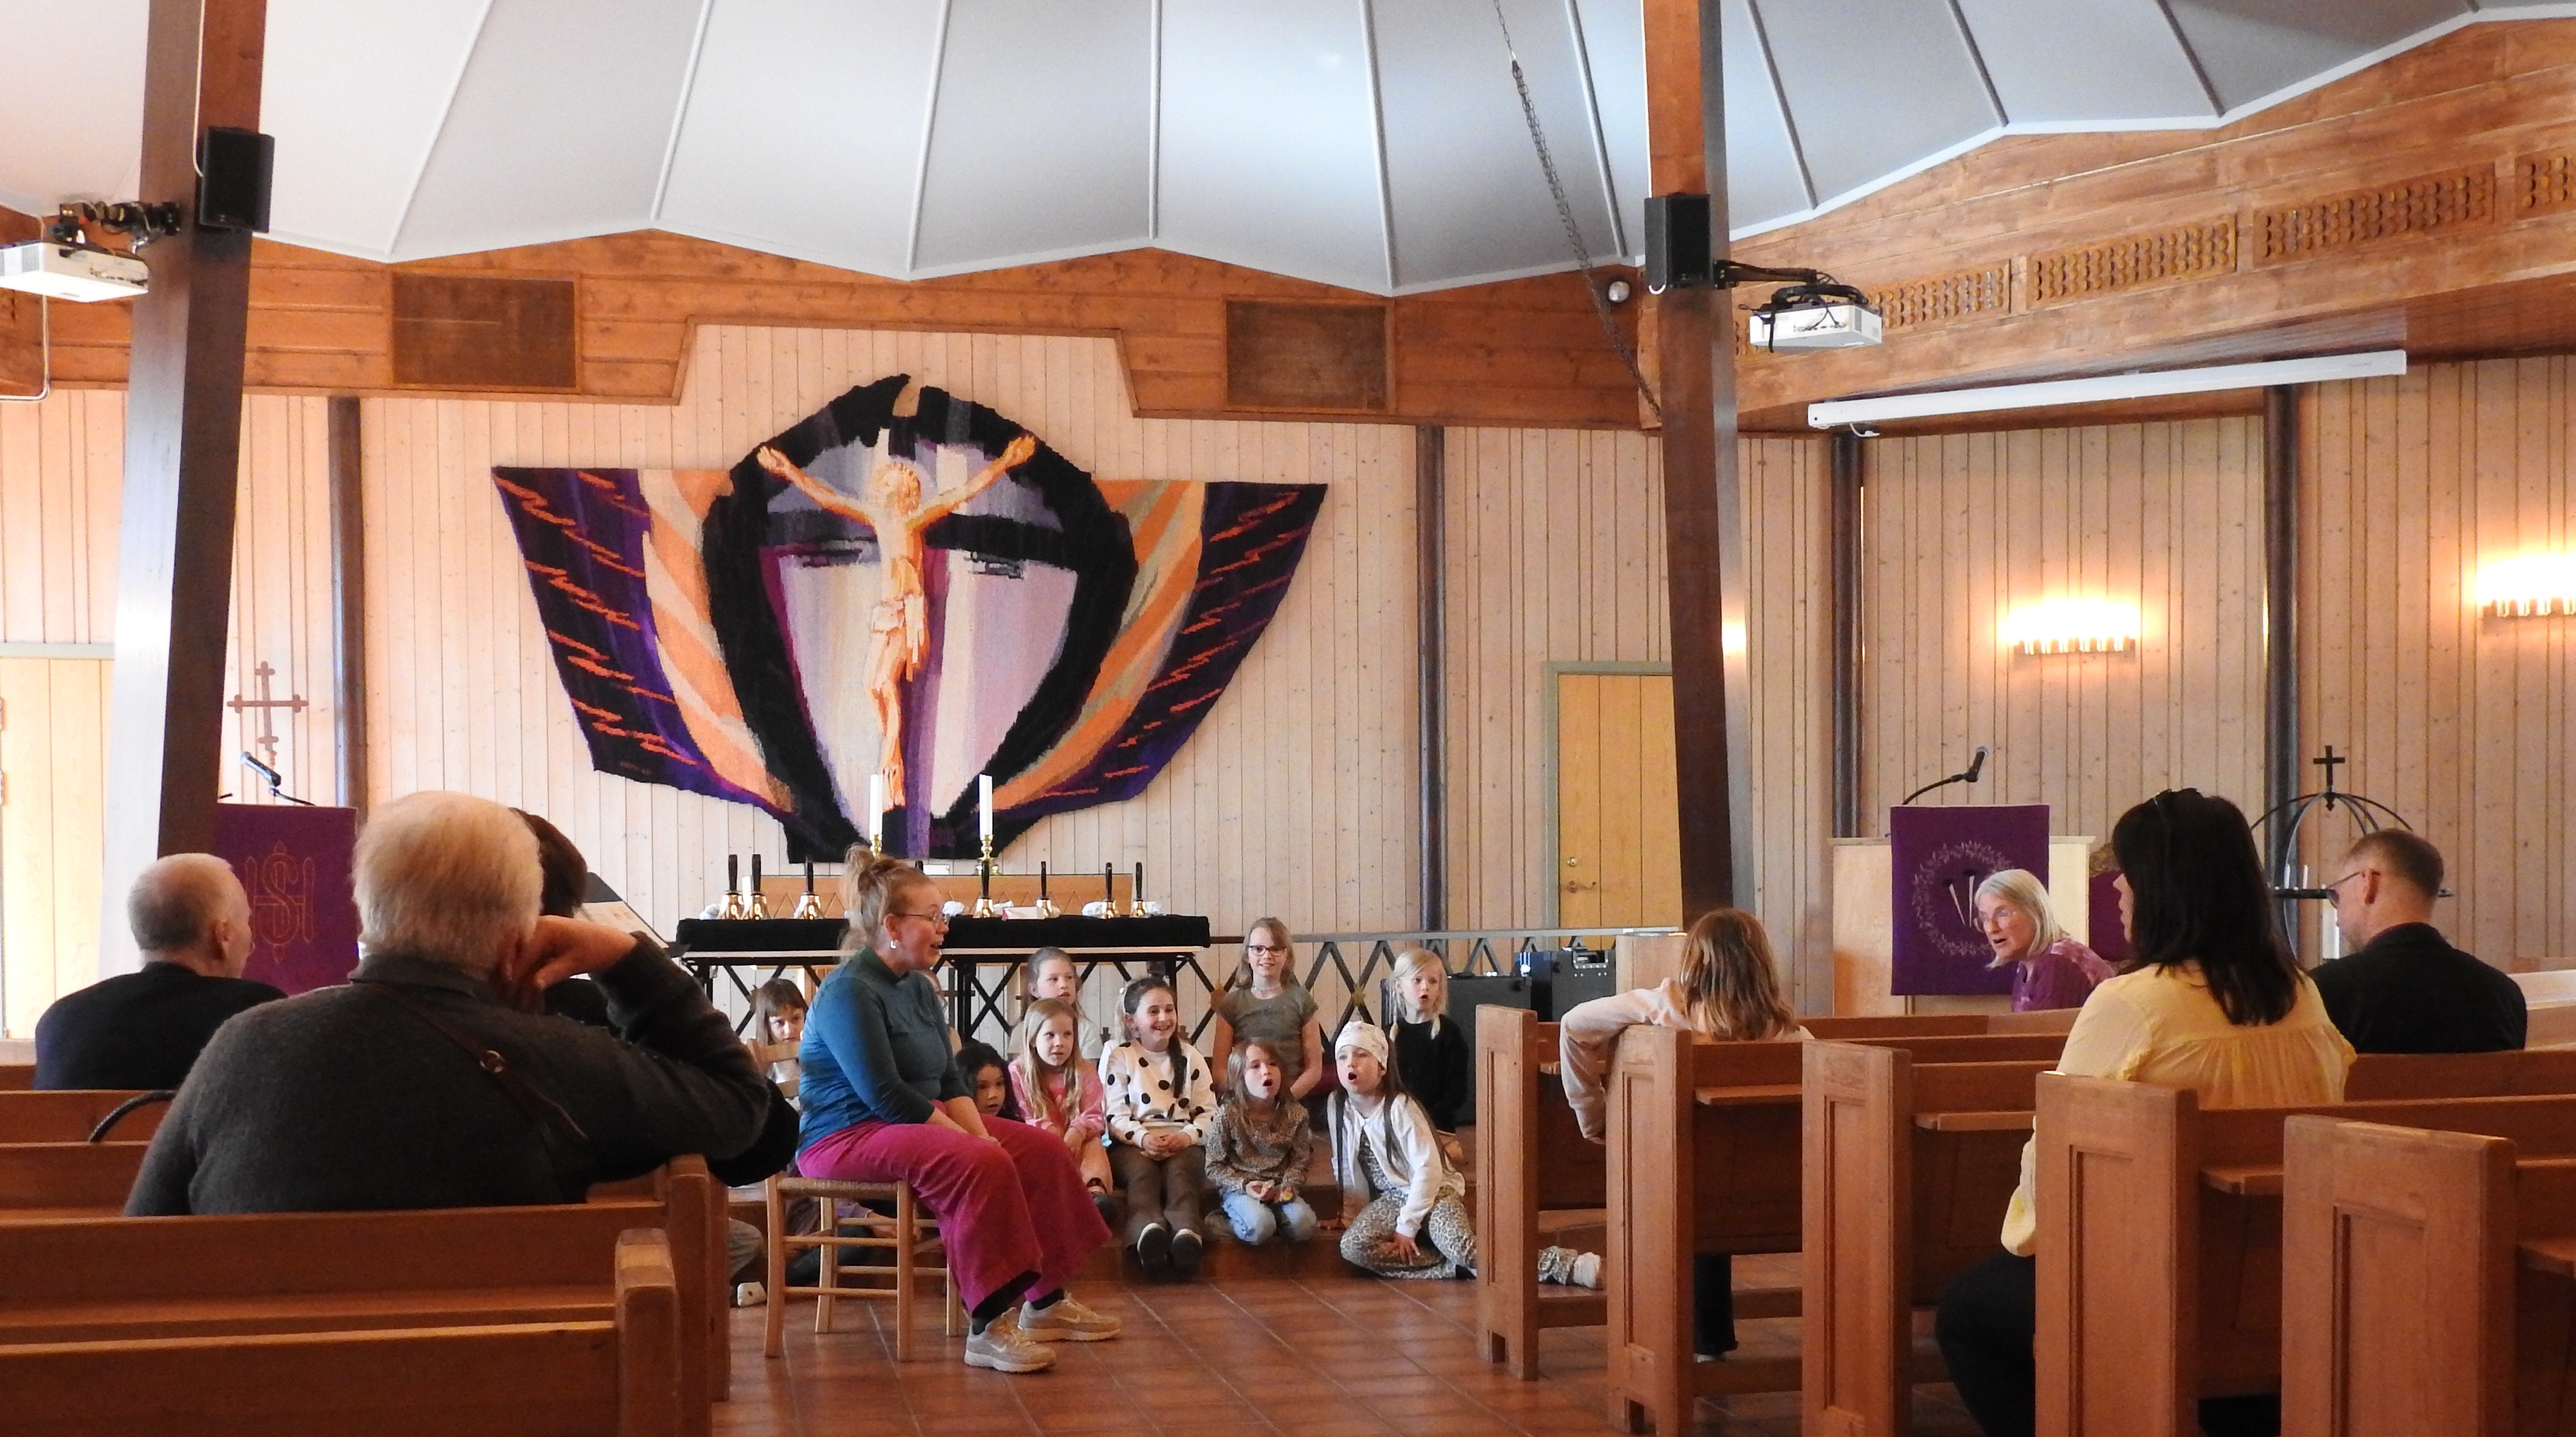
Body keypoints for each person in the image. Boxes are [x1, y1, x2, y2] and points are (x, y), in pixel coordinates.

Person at [125, 791, 774, 1216]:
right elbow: (741, 1108)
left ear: (366, 913)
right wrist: (627, 960)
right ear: (522, 936)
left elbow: (145, 1236)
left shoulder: (243, 1043)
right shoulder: (557, 1059)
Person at [1933, 790, 2355, 1437]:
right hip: (2286, 1275)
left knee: (1967, 1312)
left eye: (2129, 871)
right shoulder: (2302, 994)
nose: (2118, 886)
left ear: (2165, 888)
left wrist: (2030, 1240)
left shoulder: (2131, 1003)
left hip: (2160, 1279)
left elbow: (2056, 1159)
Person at [795, 850, 1120, 1373]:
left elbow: (949, 1080)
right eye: (933, 917)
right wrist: (970, 1141)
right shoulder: (848, 991)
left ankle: (1046, 1303)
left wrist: (977, 1132)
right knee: (979, 1162)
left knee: (1041, 1150)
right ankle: (987, 1327)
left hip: (912, 1121)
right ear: (893, 927)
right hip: (846, 1136)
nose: (944, 927)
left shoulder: (918, 987)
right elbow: (885, 1094)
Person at [1557, 907, 1809, 1356]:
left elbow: (1574, 1025)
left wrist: (1593, 1117)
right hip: (1775, 1197)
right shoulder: (1794, 1037)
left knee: (1696, 1180)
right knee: (1718, 1177)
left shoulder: (1665, 1008)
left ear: (1694, 960)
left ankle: (1667, 1337)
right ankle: (1708, 1340)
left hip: (1682, 1186)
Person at [34, 855, 282, 1091]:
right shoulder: (257, 1012)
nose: (252, 943)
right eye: (246, 922)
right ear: (223, 936)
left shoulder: (61, 1019)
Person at [2313, 830, 2525, 1053]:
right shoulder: (2505, 995)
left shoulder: (2324, 991)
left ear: (2368, 884)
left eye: (2337, 895)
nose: (2338, 918)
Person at [1328, 1018, 1475, 1279]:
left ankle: (1551, 1264)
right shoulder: (1338, 1105)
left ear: (1382, 1067)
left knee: (1461, 1247)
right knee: (1353, 1247)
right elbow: (1345, 1165)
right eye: (1343, 1057)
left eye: (1361, 1055)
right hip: (1392, 1198)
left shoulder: (1400, 1107)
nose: (1351, 1063)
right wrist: (1349, 1215)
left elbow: (1428, 1169)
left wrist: (1407, 1226)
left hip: (1435, 1191)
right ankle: (1451, 1268)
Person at [1100, 975, 1217, 1277]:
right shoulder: (1121, 1056)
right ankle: (1147, 1230)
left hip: (1183, 1140)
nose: (1164, 1018)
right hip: (1132, 1143)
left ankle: (1187, 1233)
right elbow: (1114, 1114)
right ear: (1132, 1021)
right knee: (1142, 1175)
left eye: (1169, 1010)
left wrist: (1186, 1137)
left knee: (1181, 1174)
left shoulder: (1190, 1056)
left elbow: (1209, 1113)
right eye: (1153, 1011)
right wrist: (1142, 1138)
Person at [1205, 1036, 1318, 1246]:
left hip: (1279, 1187)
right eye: (1255, 1067)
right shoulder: (1228, 1115)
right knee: (1260, 1226)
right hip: (1242, 1188)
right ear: (1240, 1078)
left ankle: (1272, 1220)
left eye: (1273, 1064)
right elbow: (1213, 1166)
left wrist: (1288, 1187)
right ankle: (1223, 1221)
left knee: (1305, 1226)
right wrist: (1245, 1185)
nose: (1266, 1071)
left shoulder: (1297, 1114)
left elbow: (1300, 1161)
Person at [1010, 997, 1116, 1220]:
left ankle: (1095, 1194)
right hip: (1039, 1145)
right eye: (1050, 1035)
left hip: (1076, 1144)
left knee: (1094, 1144)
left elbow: (1095, 1112)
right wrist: (1047, 1130)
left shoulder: (1084, 1070)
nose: (1060, 1042)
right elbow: (1020, 1114)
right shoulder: (1018, 1073)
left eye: (1067, 1035)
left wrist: (1078, 1130)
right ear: (1032, 1039)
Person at [1211, 918, 1326, 1099]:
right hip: (1245, 1101)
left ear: (1287, 956)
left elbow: (1314, 1069)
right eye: (1258, 949)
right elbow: (1219, 1070)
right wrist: (1247, 1100)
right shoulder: (1231, 1004)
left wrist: (1286, 1100)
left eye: (1275, 949)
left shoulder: (1301, 1000)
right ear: (1247, 955)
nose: (1267, 955)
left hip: (1292, 1098)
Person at [1974, 868, 2116, 1011]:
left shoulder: (2058, 964)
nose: (1991, 929)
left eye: (2003, 914)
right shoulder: (2027, 965)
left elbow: (2050, 1026)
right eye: (1985, 918)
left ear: (2035, 911)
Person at [1385, 948, 1470, 1132]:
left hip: (1437, 1127)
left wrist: (1424, 1119)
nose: (1425, 987)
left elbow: (1457, 1092)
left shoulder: (1448, 1033)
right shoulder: (1389, 1034)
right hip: (1397, 1125)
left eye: (1432, 981)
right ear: (1399, 986)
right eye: (1417, 980)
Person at [1023, 948, 1101, 1059]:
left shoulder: (1087, 1030)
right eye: (1053, 979)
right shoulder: (1022, 1030)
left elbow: (1089, 1069)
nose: (1064, 985)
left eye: (1069, 977)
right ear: (1034, 990)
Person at [750, 978, 808, 1099]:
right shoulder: (759, 1060)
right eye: (779, 1023)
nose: (789, 1030)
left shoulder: (816, 1049)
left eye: (796, 1019)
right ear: (767, 1025)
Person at [958, 1039, 1022, 1121]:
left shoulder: (1014, 1124)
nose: (993, 1095)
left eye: (999, 1084)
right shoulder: (952, 1126)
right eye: (982, 1087)